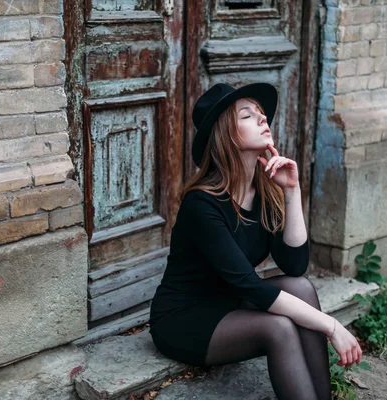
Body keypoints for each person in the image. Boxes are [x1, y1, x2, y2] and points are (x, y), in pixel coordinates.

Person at [149, 83, 362, 400]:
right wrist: (330, 326)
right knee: (278, 328)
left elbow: (294, 265)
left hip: (228, 302)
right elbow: (251, 286)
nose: (264, 120)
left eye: (262, 114)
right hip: (184, 318)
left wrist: (292, 190)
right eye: (248, 115)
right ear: (227, 134)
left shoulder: (264, 192)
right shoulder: (202, 205)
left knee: (301, 288)